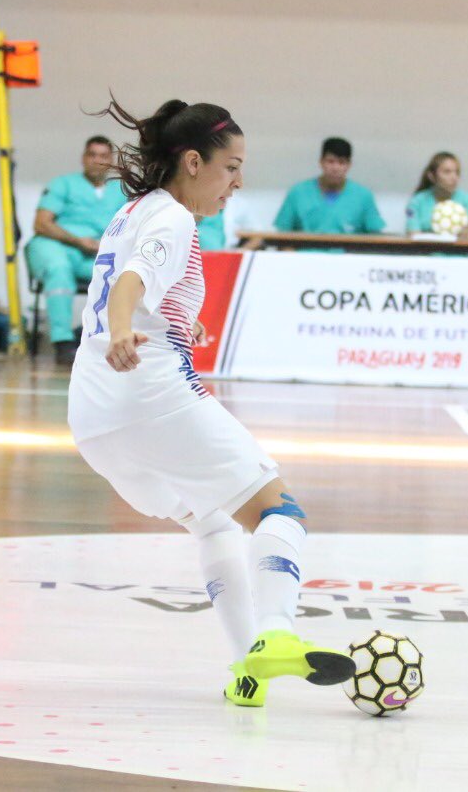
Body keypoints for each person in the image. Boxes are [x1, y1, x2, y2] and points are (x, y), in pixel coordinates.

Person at [69, 97, 354, 708]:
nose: (239, 182)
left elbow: (139, 286)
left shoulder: (133, 211)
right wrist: (126, 329)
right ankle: (277, 635)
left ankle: (245, 670)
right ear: (193, 162)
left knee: (212, 520)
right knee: (281, 513)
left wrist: (178, 322)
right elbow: (130, 285)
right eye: (232, 167)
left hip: (93, 416)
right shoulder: (174, 217)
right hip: (150, 395)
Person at [27, 136, 128, 365]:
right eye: (92, 155)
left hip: (96, 253)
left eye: (103, 156)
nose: (97, 161)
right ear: (83, 158)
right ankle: (62, 344)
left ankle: (93, 337)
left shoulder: (120, 191)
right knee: (58, 269)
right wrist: (78, 241)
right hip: (57, 246)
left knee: (122, 275)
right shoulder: (63, 184)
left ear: (111, 160)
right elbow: (42, 223)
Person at [274, 137, 385, 235]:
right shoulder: (298, 193)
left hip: (347, 256)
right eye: (330, 162)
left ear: (349, 165)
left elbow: (375, 236)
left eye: (341, 163)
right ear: (321, 162)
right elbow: (283, 235)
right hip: (306, 255)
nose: (335, 168)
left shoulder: (363, 196)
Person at [405, 152, 468, 236]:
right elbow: (413, 234)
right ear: (432, 176)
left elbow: (467, 236)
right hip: (426, 248)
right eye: (447, 172)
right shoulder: (416, 201)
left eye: (457, 172)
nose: (454, 177)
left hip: (456, 249)